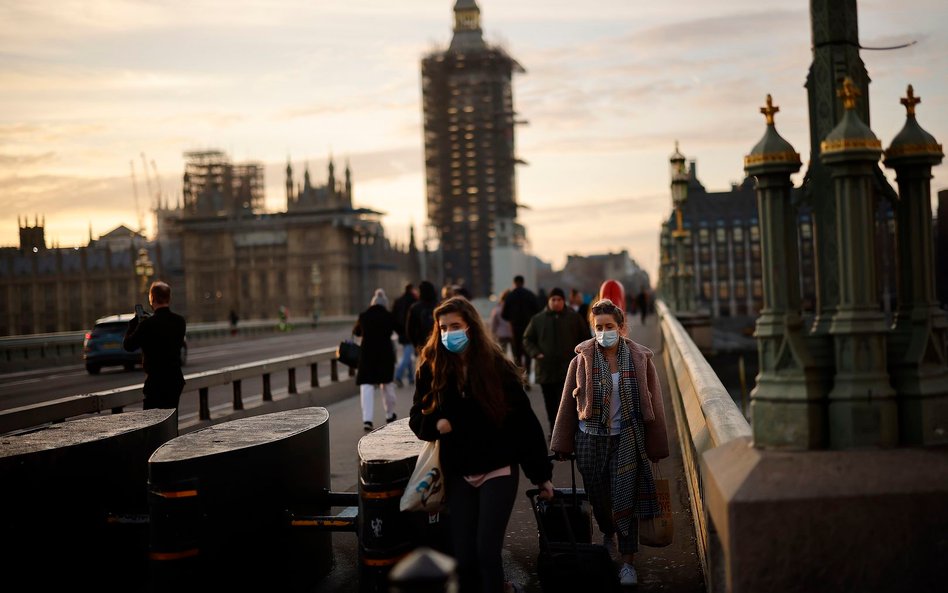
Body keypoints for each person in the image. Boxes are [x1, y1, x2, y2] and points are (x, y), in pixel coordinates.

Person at [409, 297, 554, 593]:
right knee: (464, 557)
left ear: (471, 328)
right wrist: (435, 423)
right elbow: (416, 419)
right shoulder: (431, 369)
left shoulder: (496, 367)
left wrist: (541, 476)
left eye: (456, 326)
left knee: (487, 552)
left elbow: (524, 424)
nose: (450, 333)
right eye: (444, 327)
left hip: (497, 468)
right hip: (459, 472)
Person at [550, 298, 670, 587]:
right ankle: (607, 532)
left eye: (610, 326)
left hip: (627, 438)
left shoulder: (640, 359)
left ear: (621, 327)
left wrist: (656, 446)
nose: (604, 332)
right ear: (593, 329)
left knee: (624, 497)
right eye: (599, 327)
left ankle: (627, 562)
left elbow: (655, 402)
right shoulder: (581, 360)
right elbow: (567, 403)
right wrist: (561, 443)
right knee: (598, 497)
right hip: (590, 439)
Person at [522, 287, 590, 432]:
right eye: (553, 299)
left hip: (568, 369)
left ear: (563, 301)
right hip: (545, 369)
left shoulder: (574, 317)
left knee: (565, 403)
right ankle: (554, 431)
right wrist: (536, 353)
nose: (557, 302)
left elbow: (585, 339)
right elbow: (527, 339)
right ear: (549, 301)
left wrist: (580, 357)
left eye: (559, 299)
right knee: (550, 403)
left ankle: (566, 432)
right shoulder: (538, 319)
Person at [123, 280, 187, 411]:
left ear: (151, 298)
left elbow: (129, 345)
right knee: (171, 421)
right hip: (175, 380)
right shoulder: (180, 321)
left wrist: (133, 326)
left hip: (155, 382)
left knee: (153, 425)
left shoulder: (147, 325)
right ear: (169, 298)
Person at [353, 288, 398, 431]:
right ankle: (390, 414)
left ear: (372, 303)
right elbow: (399, 330)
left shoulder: (364, 316)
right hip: (385, 354)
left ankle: (367, 419)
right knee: (387, 385)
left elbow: (357, 332)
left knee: (366, 386)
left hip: (367, 355)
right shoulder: (389, 316)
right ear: (384, 304)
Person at [501, 275, 540, 388]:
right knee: (527, 353)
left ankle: (520, 378)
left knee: (517, 354)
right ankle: (527, 376)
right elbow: (537, 310)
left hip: (515, 329)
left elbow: (504, 314)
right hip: (528, 328)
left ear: (514, 283)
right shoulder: (530, 295)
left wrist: (512, 319)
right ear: (523, 282)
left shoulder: (510, 296)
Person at [392, 283, 418, 388]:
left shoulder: (398, 301)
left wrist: (398, 331)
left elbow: (393, 317)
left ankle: (411, 378)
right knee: (407, 355)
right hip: (410, 332)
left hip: (401, 333)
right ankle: (398, 375)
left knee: (407, 353)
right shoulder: (414, 301)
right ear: (411, 290)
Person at [407, 280, 439, 355]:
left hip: (422, 345)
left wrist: (416, 345)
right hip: (437, 345)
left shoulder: (415, 307)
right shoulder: (439, 305)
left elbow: (410, 330)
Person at [489, 289, 514, 357]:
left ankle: (504, 367)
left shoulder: (497, 309)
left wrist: (492, 334)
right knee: (515, 355)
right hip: (513, 333)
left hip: (501, 334)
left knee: (503, 354)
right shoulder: (514, 308)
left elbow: (494, 324)